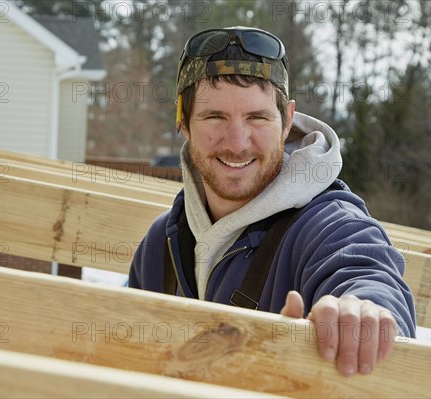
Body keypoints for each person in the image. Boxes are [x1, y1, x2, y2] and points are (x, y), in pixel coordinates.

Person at [129, 27, 416, 377]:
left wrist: (362, 308)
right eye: (214, 117)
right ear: (184, 122)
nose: (236, 143)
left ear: (287, 121)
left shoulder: (326, 227)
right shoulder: (161, 243)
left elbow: (366, 272)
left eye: (257, 118)